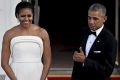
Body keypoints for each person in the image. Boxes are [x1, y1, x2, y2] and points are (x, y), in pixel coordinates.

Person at [1, 1, 51, 80]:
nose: (26, 19)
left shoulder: (42, 33)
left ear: (33, 16)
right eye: (23, 16)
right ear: (17, 16)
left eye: (29, 16)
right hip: (15, 75)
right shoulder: (9, 34)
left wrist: (42, 79)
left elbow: (47, 61)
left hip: (38, 74)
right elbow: (4, 63)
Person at [71, 3, 117, 80]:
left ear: (104, 19)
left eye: (95, 19)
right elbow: (77, 64)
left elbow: (107, 71)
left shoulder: (110, 40)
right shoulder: (83, 32)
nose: (91, 22)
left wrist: (85, 61)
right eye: (89, 18)